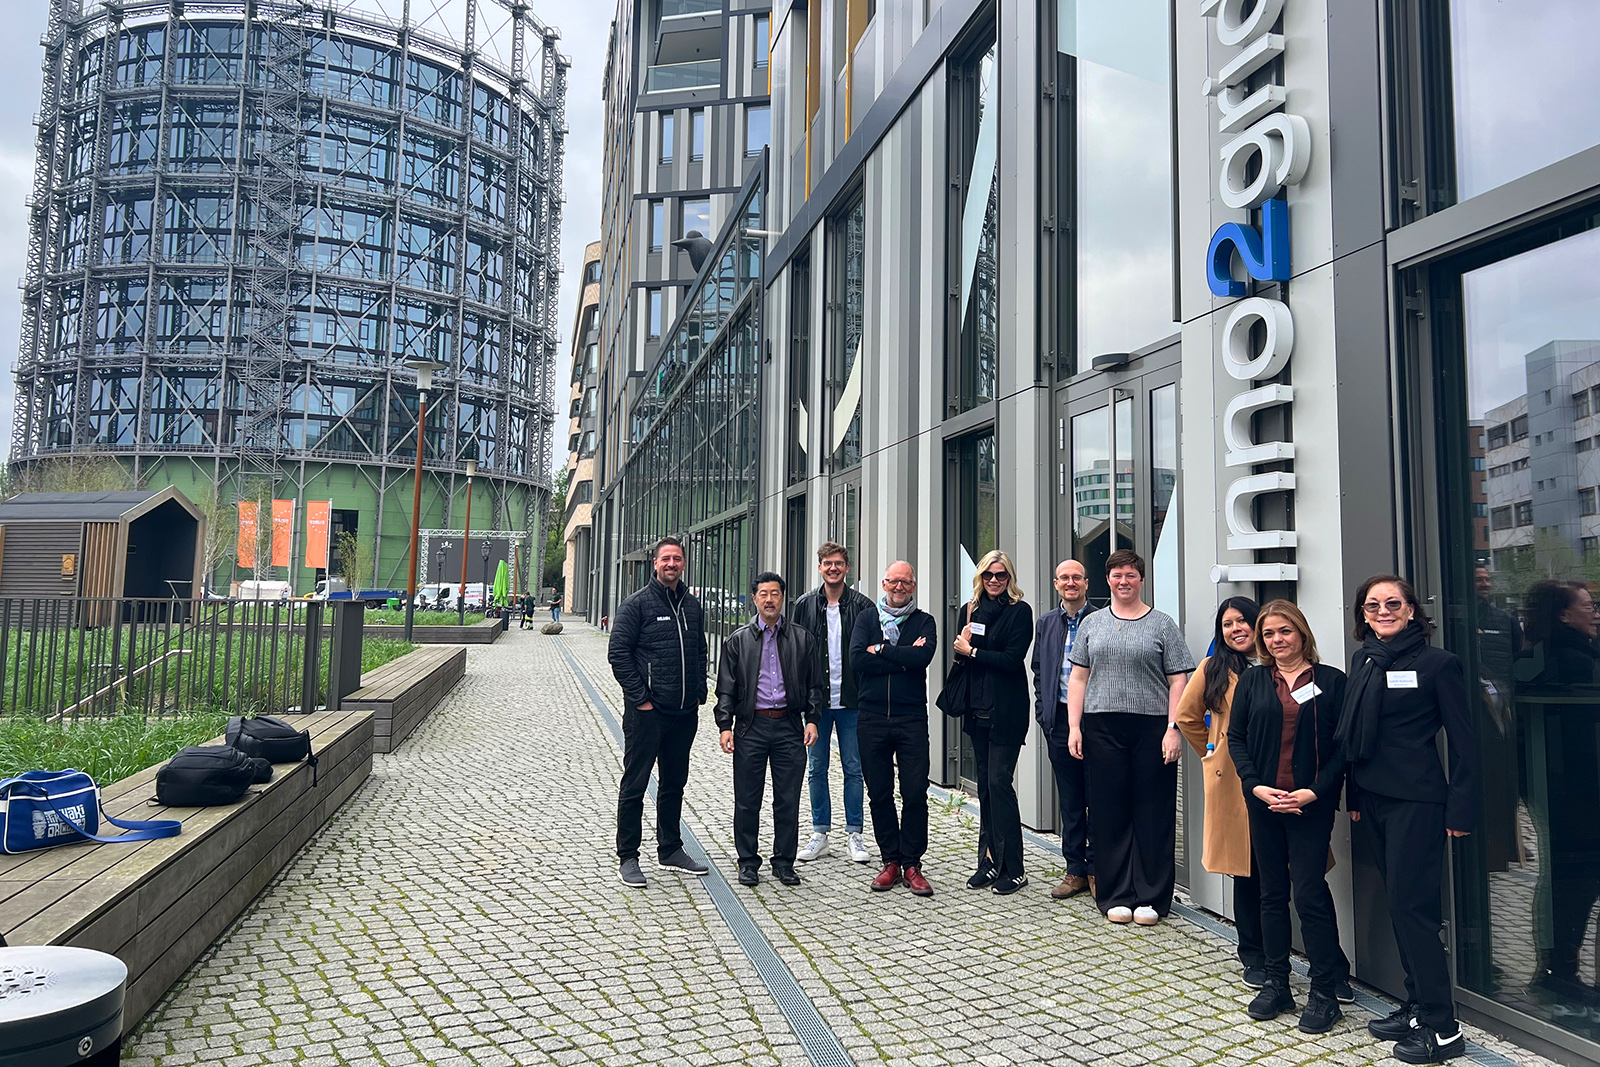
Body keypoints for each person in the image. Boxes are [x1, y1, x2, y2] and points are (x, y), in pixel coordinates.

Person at [1339, 574, 1477, 1064]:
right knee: (1400, 908)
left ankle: (1444, 1030)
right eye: (1373, 605)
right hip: (1374, 799)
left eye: (1393, 603)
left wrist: (1460, 807)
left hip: (1417, 803)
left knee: (1414, 911)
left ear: (1412, 609)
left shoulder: (1439, 664)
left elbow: (1464, 742)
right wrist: (1355, 793)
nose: (1383, 611)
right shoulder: (1364, 659)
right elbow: (1356, 737)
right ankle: (1416, 1005)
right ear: (1363, 614)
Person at [1227, 600, 1351, 1035]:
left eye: (1285, 631)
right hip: (1264, 802)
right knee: (1271, 893)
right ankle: (1277, 982)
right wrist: (1254, 786)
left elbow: (1343, 747)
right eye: (1268, 634)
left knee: (1311, 893)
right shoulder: (1254, 680)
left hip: (1310, 806)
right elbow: (1236, 738)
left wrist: (1314, 791)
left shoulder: (1332, 682)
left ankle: (1324, 992)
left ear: (1301, 633)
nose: (1277, 640)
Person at [1067, 549, 1194, 926]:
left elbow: (1179, 681)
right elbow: (1078, 678)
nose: (1124, 581)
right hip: (1102, 727)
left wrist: (1173, 729)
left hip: (1152, 728)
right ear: (1107, 580)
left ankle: (1151, 896)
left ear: (1142, 580)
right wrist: (1074, 726)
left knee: (1153, 811)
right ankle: (1116, 893)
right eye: (1117, 574)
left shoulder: (1162, 624)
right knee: (1109, 812)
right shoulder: (1092, 624)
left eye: (1131, 575)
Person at [608, 536, 711, 889]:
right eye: (666, 558)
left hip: (684, 713)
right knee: (635, 784)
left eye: (677, 558)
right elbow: (618, 654)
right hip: (648, 714)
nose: (672, 564)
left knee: (674, 784)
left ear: (684, 563)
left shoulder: (692, 605)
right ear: (655, 563)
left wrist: (699, 692)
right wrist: (641, 699)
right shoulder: (636, 604)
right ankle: (628, 856)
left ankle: (670, 849)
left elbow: (699, 650)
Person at [1176, 597, 1265, 983]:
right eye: (1228, 624)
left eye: (1243, 621)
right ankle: (1254, 956)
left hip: (1278, 776)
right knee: (1246, 870)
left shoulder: (1279, 662)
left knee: (1282, 869)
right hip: (1233, 778)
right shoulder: (1212, 668)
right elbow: (1186, 716)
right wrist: (1212, 753)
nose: (1236, 629)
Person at [715, 572, 824, 887]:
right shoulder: (737, 640)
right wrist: (725, 726)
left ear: (783, 598)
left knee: (787, 799)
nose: (769, 600)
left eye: (775, 593)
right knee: (747, 799)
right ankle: (748, 862)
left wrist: (812, 719)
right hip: (751, 727)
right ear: (754, 599)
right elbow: (726, 688)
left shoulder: (802, 639)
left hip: (789, 726)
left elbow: (815, 685)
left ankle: (784, 862)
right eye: (763, 594)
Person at [1520, 580, 1598, 1003]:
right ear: (1564, 616)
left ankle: (1557, 967)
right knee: (1575, 877)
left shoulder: (1542, 656)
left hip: (1562, 785)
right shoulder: (1574, 663)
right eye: (1588, 605)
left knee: (1566, 875)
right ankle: (1559, 971)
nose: (1596, 612)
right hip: (1576, 787)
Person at [851, 560, 939, 896]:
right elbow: (857, 659)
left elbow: (922, 659)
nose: (899, 587)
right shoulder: (866, 618)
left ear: (913, 586)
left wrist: (882, 649)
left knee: (915, 792)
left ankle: (912, 863)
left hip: (911, 718)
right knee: (879, 793)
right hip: (871, 717)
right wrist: (902, 657)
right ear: (884, 584)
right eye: (893, 581)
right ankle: (890, 860)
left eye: (905, 582)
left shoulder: (925, 621)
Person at [952, 549, 1035, 896]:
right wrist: (963, 650)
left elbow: (1012, 659)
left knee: (1000, 784)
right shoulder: (969, 610)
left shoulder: (1020, 612)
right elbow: (959, 653)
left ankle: (1014, 868)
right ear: (981, 577)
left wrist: (972, 651)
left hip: (1007, 711)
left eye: (1001, 575)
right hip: (977, 710)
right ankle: (987, 862)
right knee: (985, 788)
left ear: (1009, 578)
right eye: (988, 574)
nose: (995, 580)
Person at [791, 542, 875, 865]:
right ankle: (820, 833)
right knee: (816, 768)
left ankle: (855, 832)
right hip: (817, 703)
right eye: (827, 563)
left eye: (839, 563)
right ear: (820, 568)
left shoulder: (863, 606)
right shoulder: (804, 605)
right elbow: (795, 652)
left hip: (853, 701)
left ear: (847, 568)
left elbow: (873, 652)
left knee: (854, 768)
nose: (833, 568)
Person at [1031, 558, 1097, 899]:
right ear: (1056, 584)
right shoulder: (1046, 623)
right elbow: (1039, 671)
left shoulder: (1101, 620)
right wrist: (1044, 714)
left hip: (1095, 721)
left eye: (1076, 578)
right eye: (1064, 578)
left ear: (1086, 583)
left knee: (1098, 797)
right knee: (1070, 799)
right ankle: (1075, 870)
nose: (1070, 583)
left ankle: (1098, 869)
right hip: (1058, 720)